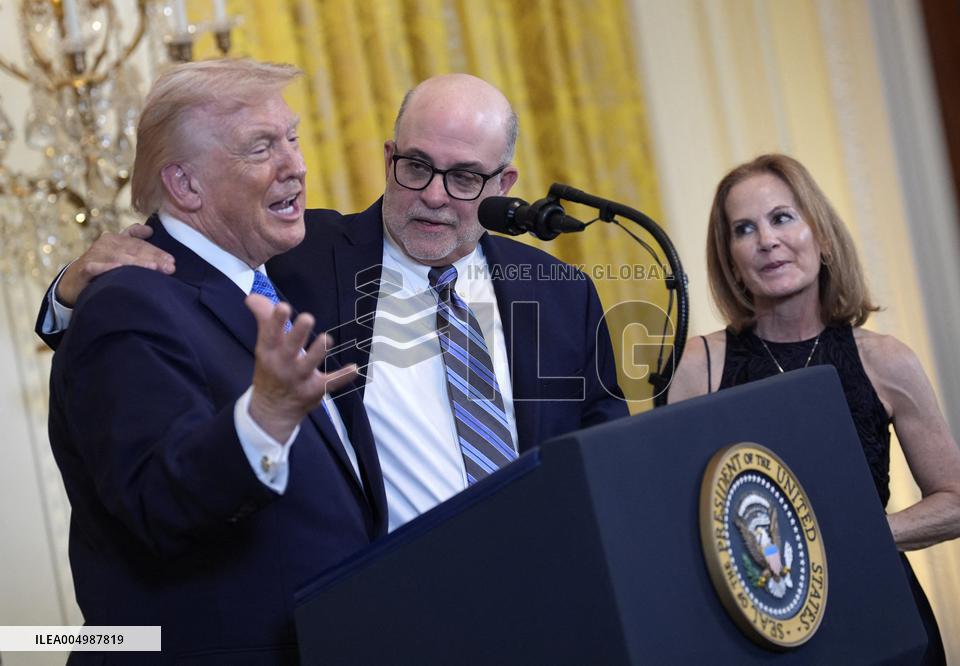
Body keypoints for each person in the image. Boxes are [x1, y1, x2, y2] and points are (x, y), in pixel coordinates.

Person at [38, 73, 627, 534]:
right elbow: (173, 274)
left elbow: (603, 458)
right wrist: (68, 291)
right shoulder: (296, 254)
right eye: (416, 166)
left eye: (465, 178)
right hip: (388, 603)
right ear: (391, 155)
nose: (433, 196)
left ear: (504, 184)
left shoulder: (560, 292)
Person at [45, 59, 385, 664]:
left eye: (292, 138)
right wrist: (265, 419)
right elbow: (160, 502)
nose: (297, 166)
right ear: (185, 184)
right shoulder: (129, 303)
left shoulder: (274, 278)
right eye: (260, 149)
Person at [668, 153, 960, 664]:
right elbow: (671, 515)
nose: (766, 240)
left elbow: (958, 504)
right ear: (732, 261)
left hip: (880, 614)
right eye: (744, 229)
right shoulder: (699, 365)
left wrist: (849, 538)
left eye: (782, 218)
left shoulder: (886, 360)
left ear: (823, 236)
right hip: (757, 628)